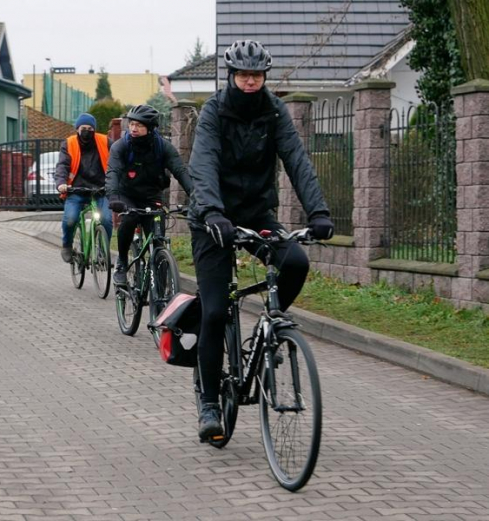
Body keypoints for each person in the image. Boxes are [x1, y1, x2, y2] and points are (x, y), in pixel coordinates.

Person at [188, 40, 335, 441]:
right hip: (212, 219)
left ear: (264, 77)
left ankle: (268, 328)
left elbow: (297, 160)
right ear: (232, 76)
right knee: (215, 312)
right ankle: (209, 403)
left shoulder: (274, 111)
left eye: (256, 75)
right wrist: (213, 212)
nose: (250, 81)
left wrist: (318, 212)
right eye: (243, 75)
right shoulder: (213, 113)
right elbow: (202, 165)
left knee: (295, 263)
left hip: (255, 214)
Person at [105, 104, 193, 285]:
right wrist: (113, 196)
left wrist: (196, 197)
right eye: (131, 124)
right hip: (126, 194)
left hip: (152, 196)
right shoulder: (121, 147)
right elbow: (113, 171)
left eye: (139, 125)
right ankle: (122, 262)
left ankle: (160, 283)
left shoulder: (163, 148)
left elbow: (180, 171)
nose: (133, 129)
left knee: (157, 238)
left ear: (151, 128)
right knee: (129, 219)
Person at [55, 113, 113, 262]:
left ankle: (102, 250)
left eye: (90, 128)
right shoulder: (69, 143)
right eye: (83, 128)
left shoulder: (105, 142)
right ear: (77, 129)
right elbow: (63, 165)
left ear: (94, 129)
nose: (87, 131)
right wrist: (61, 183)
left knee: (106, 219)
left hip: (101, 189)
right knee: (70, 219)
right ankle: (67, 245)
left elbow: (116, 161)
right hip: (76, 189)